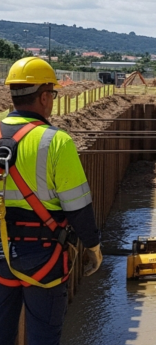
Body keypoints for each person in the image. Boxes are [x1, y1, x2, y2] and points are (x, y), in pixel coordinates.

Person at [0, 57, 101, 345]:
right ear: (44, 96)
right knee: (43, 337)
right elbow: (78, 206)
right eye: (53, 94)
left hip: (1, 250)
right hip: (43, 256)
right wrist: (92, 245)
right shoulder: (56, 142)